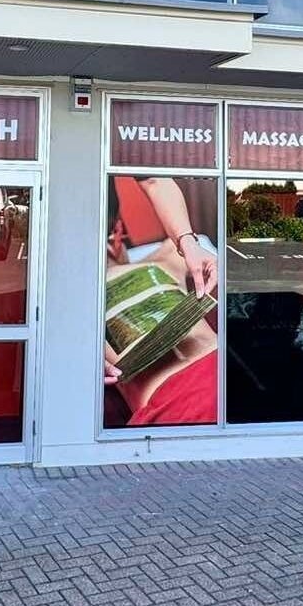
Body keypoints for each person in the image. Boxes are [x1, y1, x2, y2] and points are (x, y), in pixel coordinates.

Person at [103, 177, 220, 425]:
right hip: (220, 372)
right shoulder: (166, 259)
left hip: (170, 405)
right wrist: (187, 242)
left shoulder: (69, 307)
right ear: (117, 235)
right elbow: (156, 181)